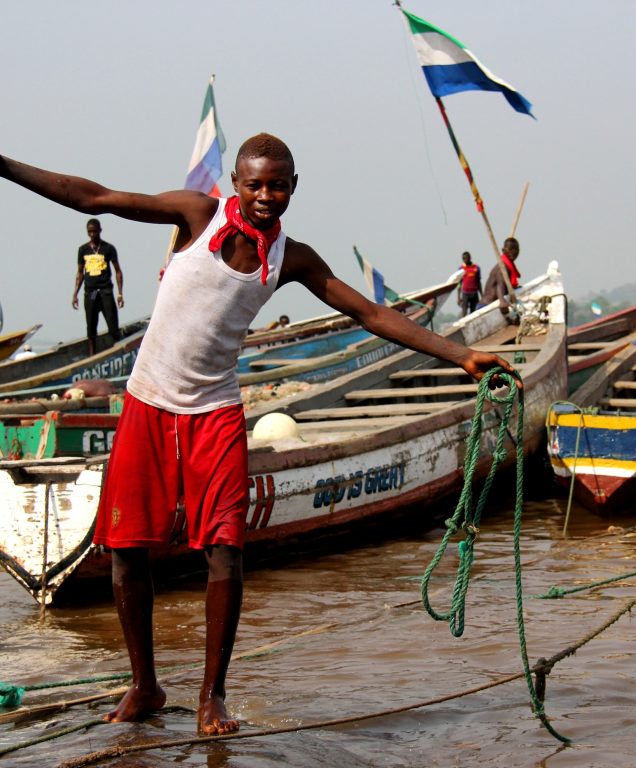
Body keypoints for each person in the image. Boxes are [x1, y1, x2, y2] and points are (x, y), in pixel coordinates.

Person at [0, 134, 513, 736]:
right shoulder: (198, 214)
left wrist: (460, 354)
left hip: (214, 410)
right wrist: (4, 165)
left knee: (226, 547)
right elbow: (96, 196)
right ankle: (146, 685)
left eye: (278, 185)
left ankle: (212, 695)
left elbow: (371, 314)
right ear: (236, 185)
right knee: (128, 547)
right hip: (147, 403)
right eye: (255, 184)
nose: (265, 196)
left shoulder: (292, 258)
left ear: (293, 188)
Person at [72, 218, 124, 355]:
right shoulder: (83, 250)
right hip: (90, 293)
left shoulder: (108, 248)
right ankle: (92, 356)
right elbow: (80, 273)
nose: (92, 234)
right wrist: (75, 294)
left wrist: (120, 293)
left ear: (100, 231)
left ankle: (117, 351)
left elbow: (118, 271)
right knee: (91, 328)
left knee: (113, 327)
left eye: (94, 231)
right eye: (89, 232)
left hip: (105, 291)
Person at [480, 237, 522, 315]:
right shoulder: (502, 267)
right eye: (511, 249)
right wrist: (502, 301)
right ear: (503, 250)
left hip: (490, 305)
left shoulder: (508, 265)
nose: (514, 252)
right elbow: (500, 285)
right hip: (486, 306)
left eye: (516, 249)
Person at [456, 251, 482, 317]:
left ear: (470, 258)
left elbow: (478, 282)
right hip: (465, 293)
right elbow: (459, 283)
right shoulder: (461, 269)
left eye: (467, 258)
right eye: (464, 259)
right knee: (464, 311)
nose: (466, 260)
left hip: (474, 293)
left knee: (474, 312)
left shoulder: (476, 268)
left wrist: (482, 294)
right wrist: (458, 297)